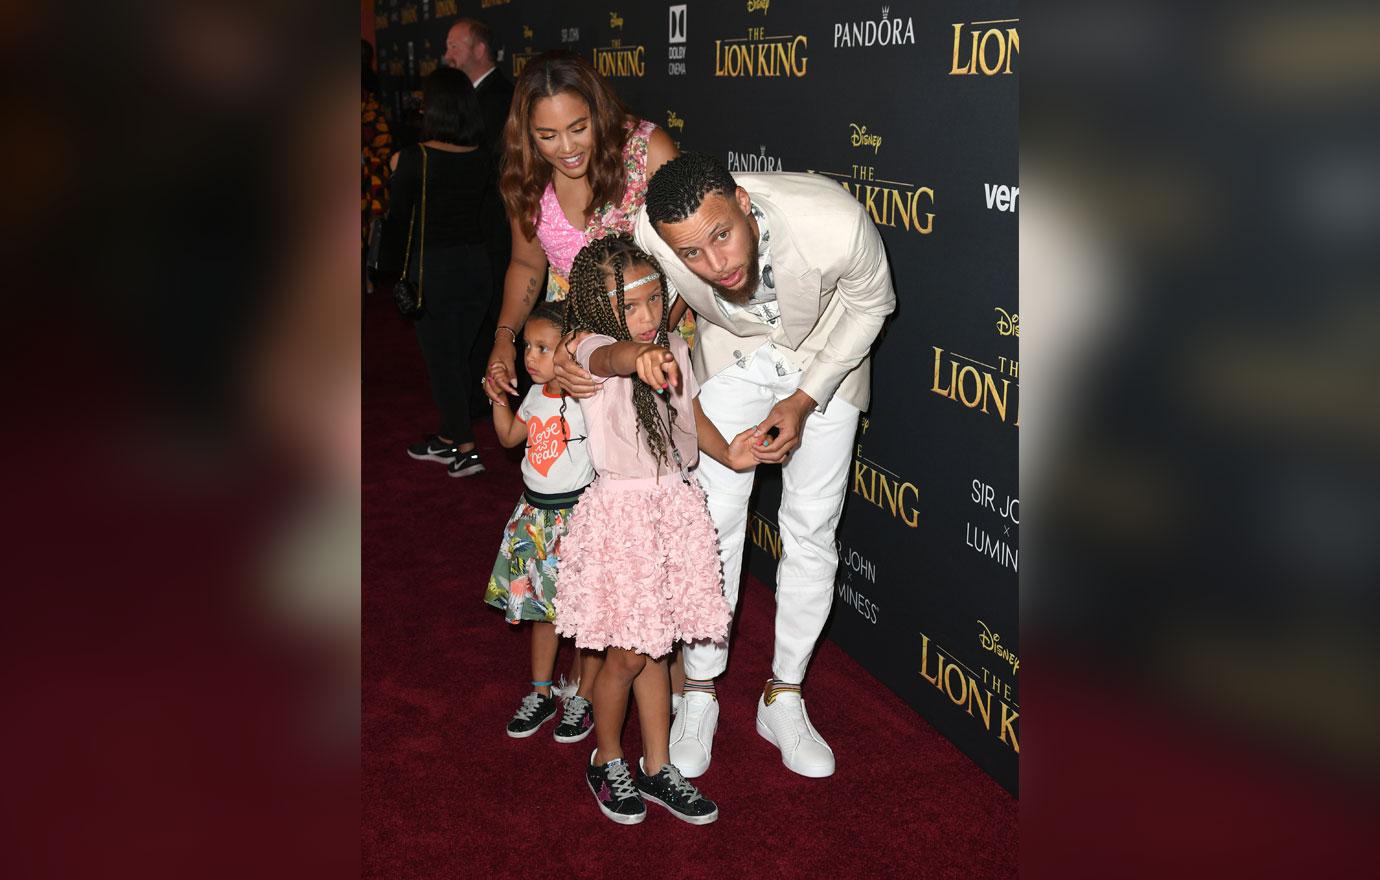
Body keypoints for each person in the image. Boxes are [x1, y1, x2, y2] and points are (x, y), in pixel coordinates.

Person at [621, 153, 897, 779]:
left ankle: (784, 695)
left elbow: (873, 304)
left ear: (742, 202)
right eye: (692, 254)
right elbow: (646, 314)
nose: (716, 266)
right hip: (732, 353)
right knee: (711, 523)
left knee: (811, 529)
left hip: (828, 357)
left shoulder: (833, 223)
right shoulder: (650, 237)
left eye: (722, 235)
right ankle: (699, 689)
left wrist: (803, 400)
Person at [553, 235, 756, 825]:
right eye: (629, 305)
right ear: (599, 308)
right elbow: (608, 358)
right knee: (624, 656)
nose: (644, 317)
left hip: (676, 512)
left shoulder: (670, 344)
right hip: (624, 522)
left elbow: (689, 415)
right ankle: (607, 757)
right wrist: (631, 356)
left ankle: (657, 765)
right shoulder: (589, 347)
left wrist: (731, 455)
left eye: (651, 300)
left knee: (657, 649)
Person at [480, 49, 689, 413]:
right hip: (574, 350)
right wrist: (504, 338)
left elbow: (689, 256)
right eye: (547, 136)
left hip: (656, 333)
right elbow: (527, 264)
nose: (567, 148)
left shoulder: (646, 151)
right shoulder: (525, 176)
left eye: (579, 128)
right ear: (527, 133)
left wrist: (650, 341)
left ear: (599, 112)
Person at [484, 301, 598, 742]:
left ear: (570, 350)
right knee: (540, 612)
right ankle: (541, 692)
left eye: (543, 348)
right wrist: (498, 400)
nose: (530, 356)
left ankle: (584, 697)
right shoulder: (534, 394)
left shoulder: (587, 398)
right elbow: (510, 438)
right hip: (533, 517)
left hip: (576, 518)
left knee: (585, 616)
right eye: (528, 346)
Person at [379, 67, 497, 476]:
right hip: (477, 266)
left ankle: (465, 449)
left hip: (435, 271)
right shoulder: (484, 157)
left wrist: (390, 274)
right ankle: (449, 436)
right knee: (462, 356)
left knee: (443, 361)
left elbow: (397, 223)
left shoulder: (413, 159)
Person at [442, 18, 514, 418]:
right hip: (476, 230)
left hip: (499, 229)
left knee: (496, 311)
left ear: (479, 50)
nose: (447, 55)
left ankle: (498, 398)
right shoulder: (471, 96)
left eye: (454, 46)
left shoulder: (502, 98)